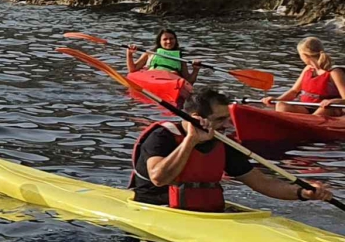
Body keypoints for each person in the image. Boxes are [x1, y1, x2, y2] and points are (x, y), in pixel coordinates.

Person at [131, 88, 333, 210]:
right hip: (156, 207)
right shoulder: (162, 137)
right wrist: (190, 141)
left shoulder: (223, 143)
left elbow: (262, 183)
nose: (227, 125)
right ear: (196, 118)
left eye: (227, 118)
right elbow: (159, 178)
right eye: (220, 119)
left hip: (205, 212)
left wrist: (302, 193)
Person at [265, 37, 345, 115]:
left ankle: (310, 122)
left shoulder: (334, 73)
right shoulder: (308, 69)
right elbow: (294, 91)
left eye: (300, 55)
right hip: (306, 107)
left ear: (305, 55)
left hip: (327, 108)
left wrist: (333, 101)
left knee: (324, 110)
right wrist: (277, 100)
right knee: (281, 105)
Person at [126, 29, 201, 83]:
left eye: (171, 39)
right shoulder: (150, 53)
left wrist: (195, 70)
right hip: (152, 78)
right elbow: (132, 69)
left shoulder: (180, 59)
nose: (168, 41)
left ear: (175, 40)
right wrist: (129, 54)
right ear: (160, 41)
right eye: (165, 39)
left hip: (172, 81)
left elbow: (189, 81)